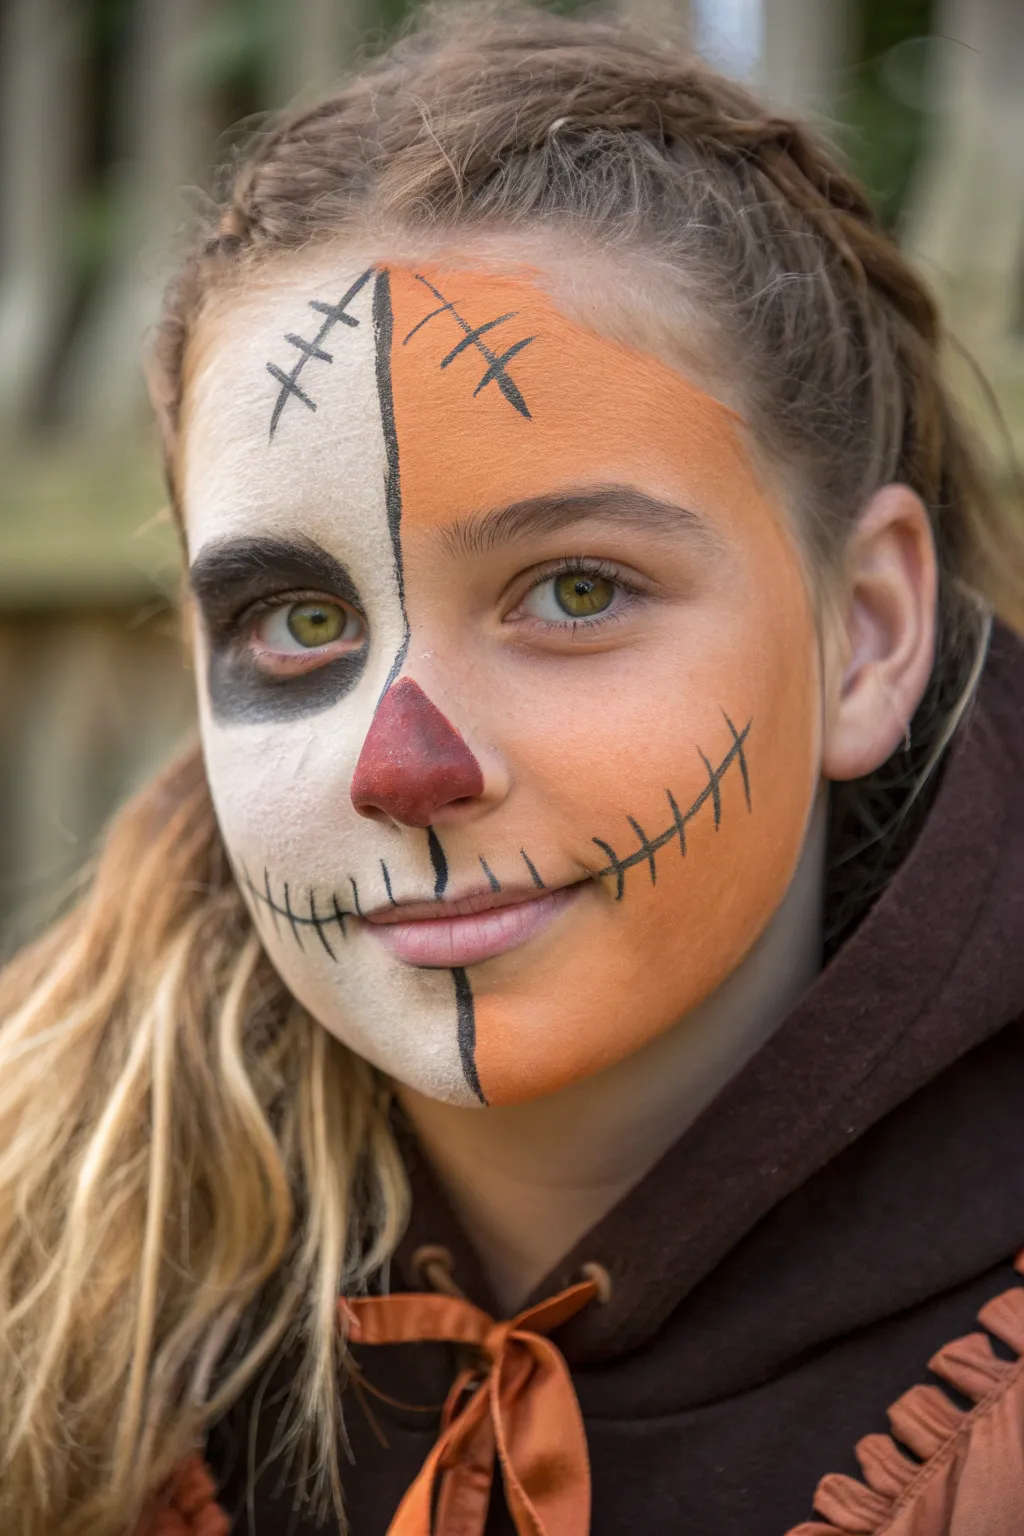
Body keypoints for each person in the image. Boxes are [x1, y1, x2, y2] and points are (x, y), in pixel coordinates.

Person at [2, 7, 1024, 1534]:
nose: (402, 765)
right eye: (298, 619)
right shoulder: (51, 1288)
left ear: (865, 636)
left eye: (576, 590)